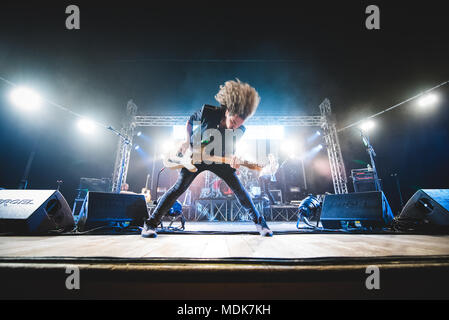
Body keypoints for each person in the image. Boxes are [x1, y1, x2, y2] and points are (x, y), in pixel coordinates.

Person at [141, 79, 273, 238]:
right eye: (233, 121)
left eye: (238, 125)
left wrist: (235, 160)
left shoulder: (240, 129)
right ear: (227, 111)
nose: (234, 127)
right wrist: (187, 142)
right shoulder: (208, 111)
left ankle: (261, 224)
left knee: (240, 190)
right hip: (196, 156)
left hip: (219, 159)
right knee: (178, 188)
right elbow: (189, 122)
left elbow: (230, 151)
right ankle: (150, 224)